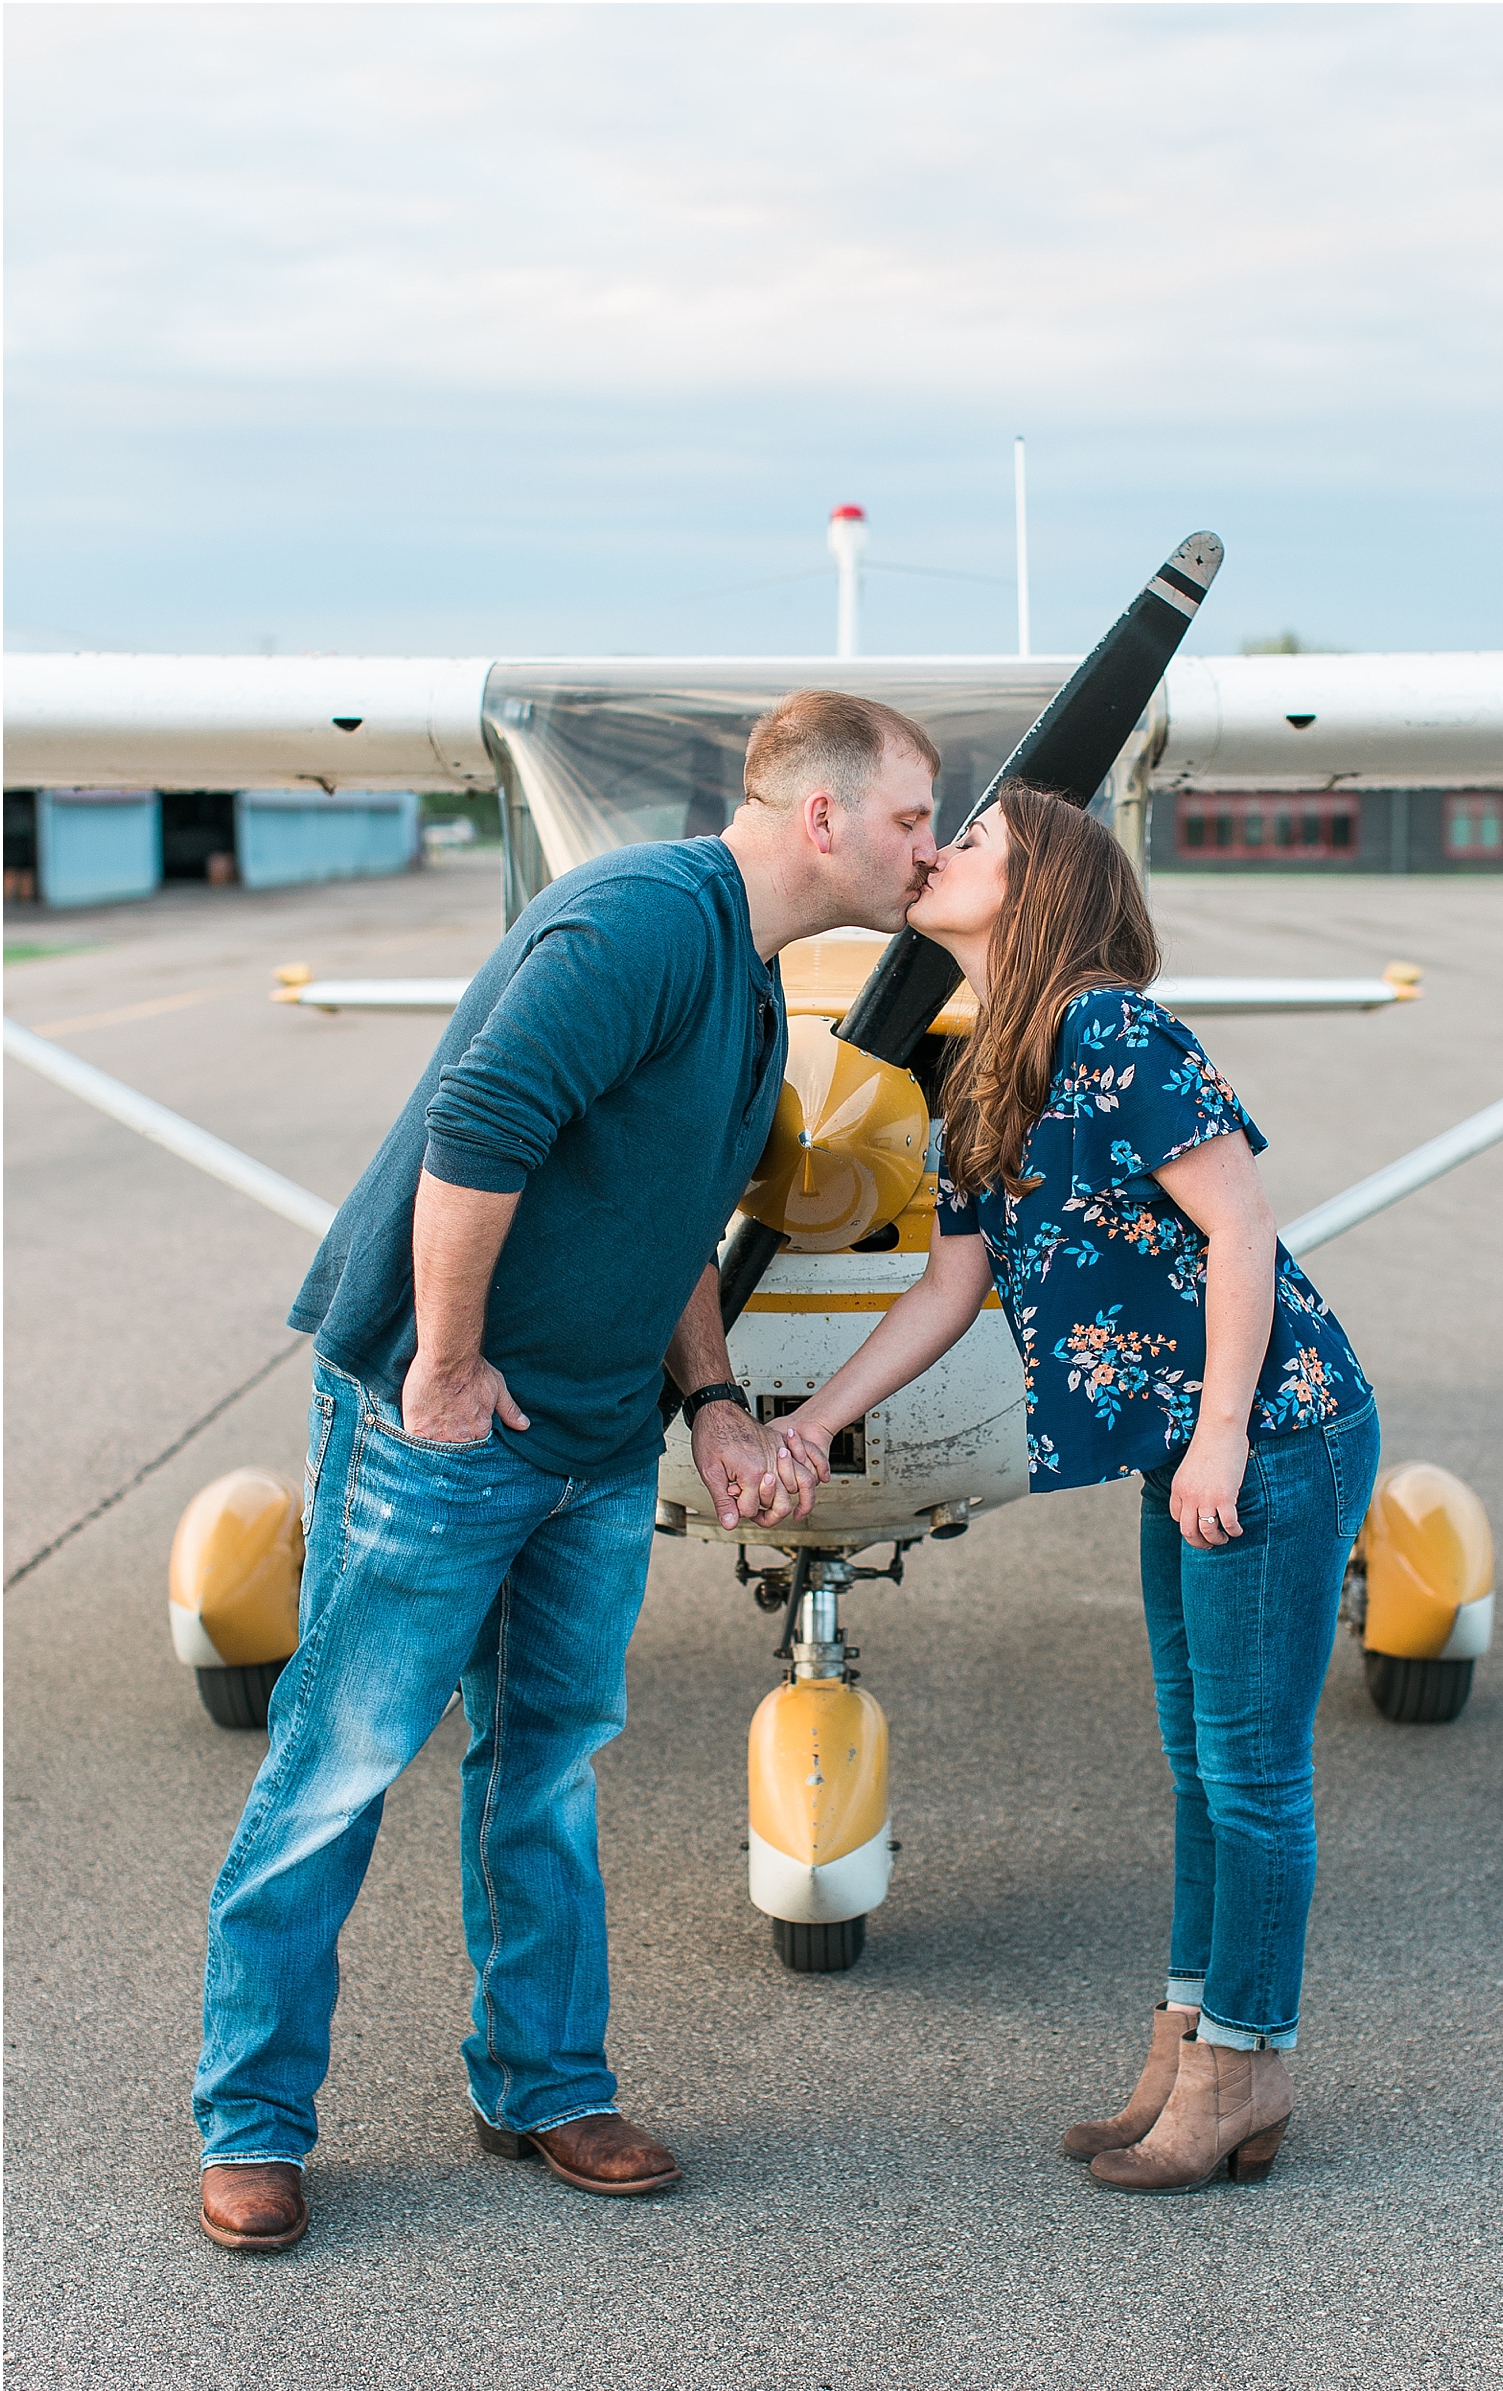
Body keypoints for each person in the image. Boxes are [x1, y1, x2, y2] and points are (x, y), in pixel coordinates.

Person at [194, 690, 942, 2251]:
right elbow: (481, 1124)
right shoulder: (642, 924)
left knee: (542, 1772)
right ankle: (253, 2121)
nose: (925, 851)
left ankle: (543, 2083)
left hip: (598, 1444)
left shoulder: (745, 979)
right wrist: (450, 1367)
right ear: (823, 817)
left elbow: (669, 1211)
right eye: (911, 819)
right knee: (337, 1766)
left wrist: (718, 1402)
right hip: (447, 1429)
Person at [777, 783, 1380, 2195]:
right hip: (1197, 1444)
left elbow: (1241, 1227)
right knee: (1197, 1765)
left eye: (967, 841)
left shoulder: (1113, 1028)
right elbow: (948, 1287)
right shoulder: (991, 1064)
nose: (932, 854)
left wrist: (1223, 1430)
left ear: (1038, 887)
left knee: (1252, 1774)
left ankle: (1246, 2062)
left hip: (1276, 1429)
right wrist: (809, 1421)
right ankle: (1190, 2049)